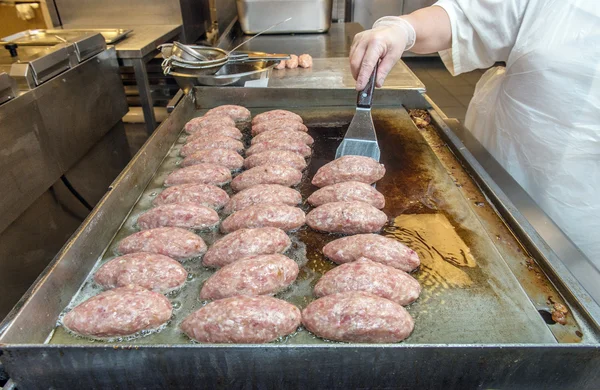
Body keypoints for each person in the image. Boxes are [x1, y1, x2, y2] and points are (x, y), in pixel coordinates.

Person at [350, 1, 600, 267]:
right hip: (495, 171)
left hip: (584, 218)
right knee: (483, 258)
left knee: (572, 285)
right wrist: (403, 29)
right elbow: (464, 19)